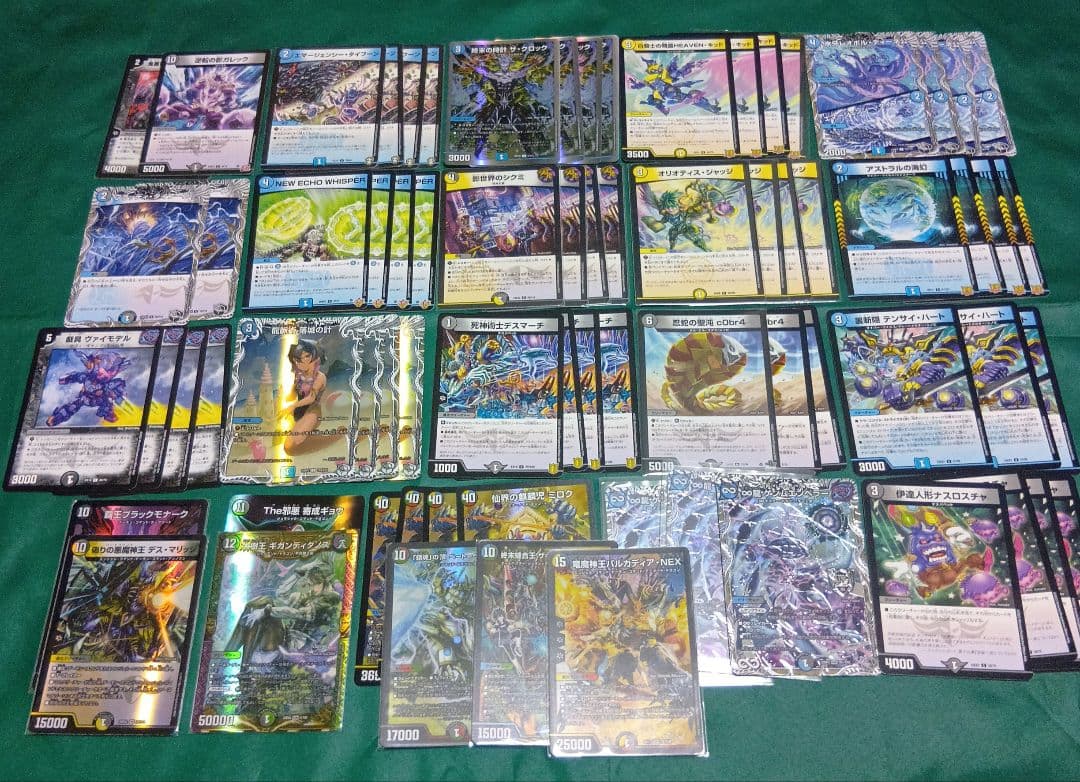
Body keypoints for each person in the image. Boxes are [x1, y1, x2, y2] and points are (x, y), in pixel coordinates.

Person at [281, 339, 326, 454]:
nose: (300, 362)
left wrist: (292, 406)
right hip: (298, 414)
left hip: (313, 412)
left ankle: (334, 437)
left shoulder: (320, 377)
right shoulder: (299, 376)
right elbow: (291, 396)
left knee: (289, 446)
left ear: (314, 357)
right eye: (297, 359)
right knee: (290, 444)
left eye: (306, 356)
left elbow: (311, 398)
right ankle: (309, 435)